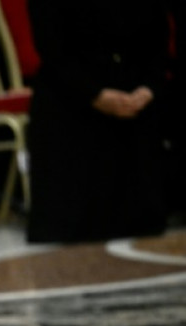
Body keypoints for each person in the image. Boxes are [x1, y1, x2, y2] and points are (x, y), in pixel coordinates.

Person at [26, 0, 172, 243]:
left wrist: (149, 88)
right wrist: (95, 95)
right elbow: (52, 51)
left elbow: (158, 42)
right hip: (71, 93)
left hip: (135, 90)